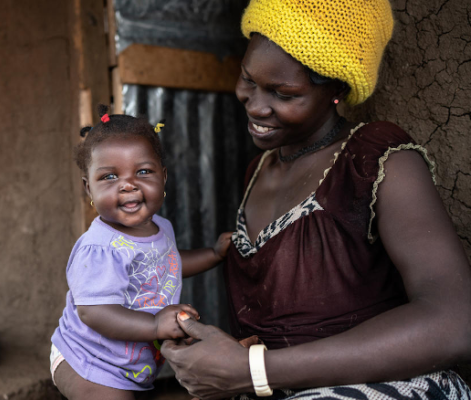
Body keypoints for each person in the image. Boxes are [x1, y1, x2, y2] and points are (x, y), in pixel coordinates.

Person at [160, 0, 471, 399]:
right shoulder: (258, 169)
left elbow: (456, 321)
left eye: (283, 93)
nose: (255, 104)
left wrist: (255, 370)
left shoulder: (376, 161)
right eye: (248, 79)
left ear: (337, 91)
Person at [50, 105, 232, 400]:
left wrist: (213, 254)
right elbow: (93, 311)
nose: (128, 185)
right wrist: (155, 324)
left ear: (164, 177)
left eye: (143, 171)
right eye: (109, 177)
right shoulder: (100, 248)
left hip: (129, 366)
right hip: (87, 361)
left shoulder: (160, 227)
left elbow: (166, 265)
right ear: (89, 189)